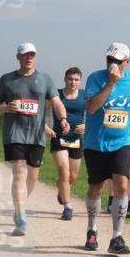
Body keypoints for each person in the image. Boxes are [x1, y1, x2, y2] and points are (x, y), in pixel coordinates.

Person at [0, 43, 70, 236]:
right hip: (14, 133)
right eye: (25, 55)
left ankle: (21, 205)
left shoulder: (45, 79)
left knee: (33, 176)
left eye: (32, 55)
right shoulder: (7, 80)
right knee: (19, 173)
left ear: (36, 57)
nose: (29, 58)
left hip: (36, 136)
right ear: (18, 57)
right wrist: (5, 108)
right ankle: (20, 215)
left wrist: (64, 119)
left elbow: (57, 102)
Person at [82, 43, 130, 255]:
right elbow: (91, 107)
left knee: (122, 185)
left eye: (117, 61)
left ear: (127, 62)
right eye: (109, 60)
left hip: (122, 142)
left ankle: (117, 237)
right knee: (96, 187)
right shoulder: (95, 78)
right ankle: (92, 229)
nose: (112, 64)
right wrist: (110, 84)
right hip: (96, 143)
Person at [46, 67, 86, 221]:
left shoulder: (84, 96)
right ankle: (67, 207)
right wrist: (46, 128)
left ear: (80, 81)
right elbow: (40, 112)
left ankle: (62, 189)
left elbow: (95, 114)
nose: (73, 82)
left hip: (77, 139)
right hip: (59, 137)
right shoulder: (57, 95)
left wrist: (87, 127)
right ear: (65, 79)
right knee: (64, 171)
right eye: (70, 79)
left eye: (76, 79)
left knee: (73, 176)